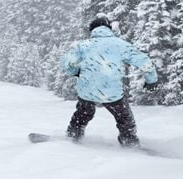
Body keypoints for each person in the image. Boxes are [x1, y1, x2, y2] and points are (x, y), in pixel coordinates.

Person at [60, 14, 157, 147]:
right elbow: (144, 61)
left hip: (88, 90)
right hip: (112, 92)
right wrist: (151, 80)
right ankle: (129, 142)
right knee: (124, 119)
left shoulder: (83, 45)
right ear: (108, 29)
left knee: (82, 113)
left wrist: (76, 72)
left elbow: (66, 63)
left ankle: (73, 136)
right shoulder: (120, 44)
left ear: (92, 30)